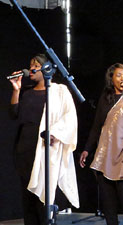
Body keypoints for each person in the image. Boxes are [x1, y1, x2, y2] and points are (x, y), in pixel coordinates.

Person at [9, 53, 79, 225]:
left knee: (44, 200)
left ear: (47, 69)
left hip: (45, 149)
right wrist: (16, 90)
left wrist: (55, 133)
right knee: (28, 201)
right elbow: (13, 114)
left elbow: (69, 118)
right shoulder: (26, 92)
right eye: (30, 64)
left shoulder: (59, 91)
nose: (31, 68)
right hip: (25, 150)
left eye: (36, 65)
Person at [79, 63, 123, 225]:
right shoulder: (106, 98)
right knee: (107, 192)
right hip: (107, 149)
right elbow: (97, 126)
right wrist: (87, 149)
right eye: (118, 75)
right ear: (111, 79)